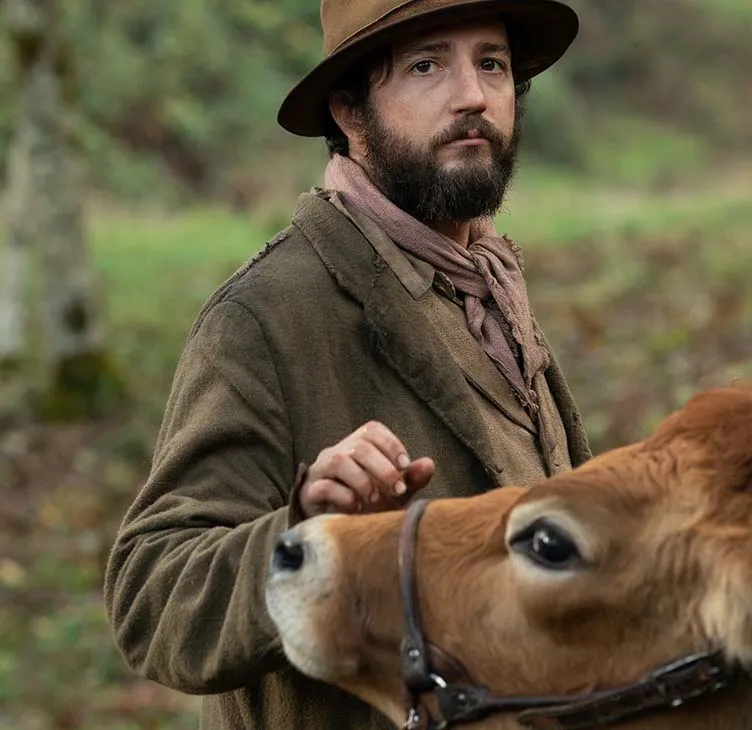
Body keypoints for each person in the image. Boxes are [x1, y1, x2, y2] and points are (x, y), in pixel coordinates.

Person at [102, 0, 590, 727]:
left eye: (491, 63)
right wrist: (305, 532)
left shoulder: (489, 281)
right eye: (428, 65)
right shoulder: (265, 316)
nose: (473, 96)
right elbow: (155, 598)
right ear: (349, 111)